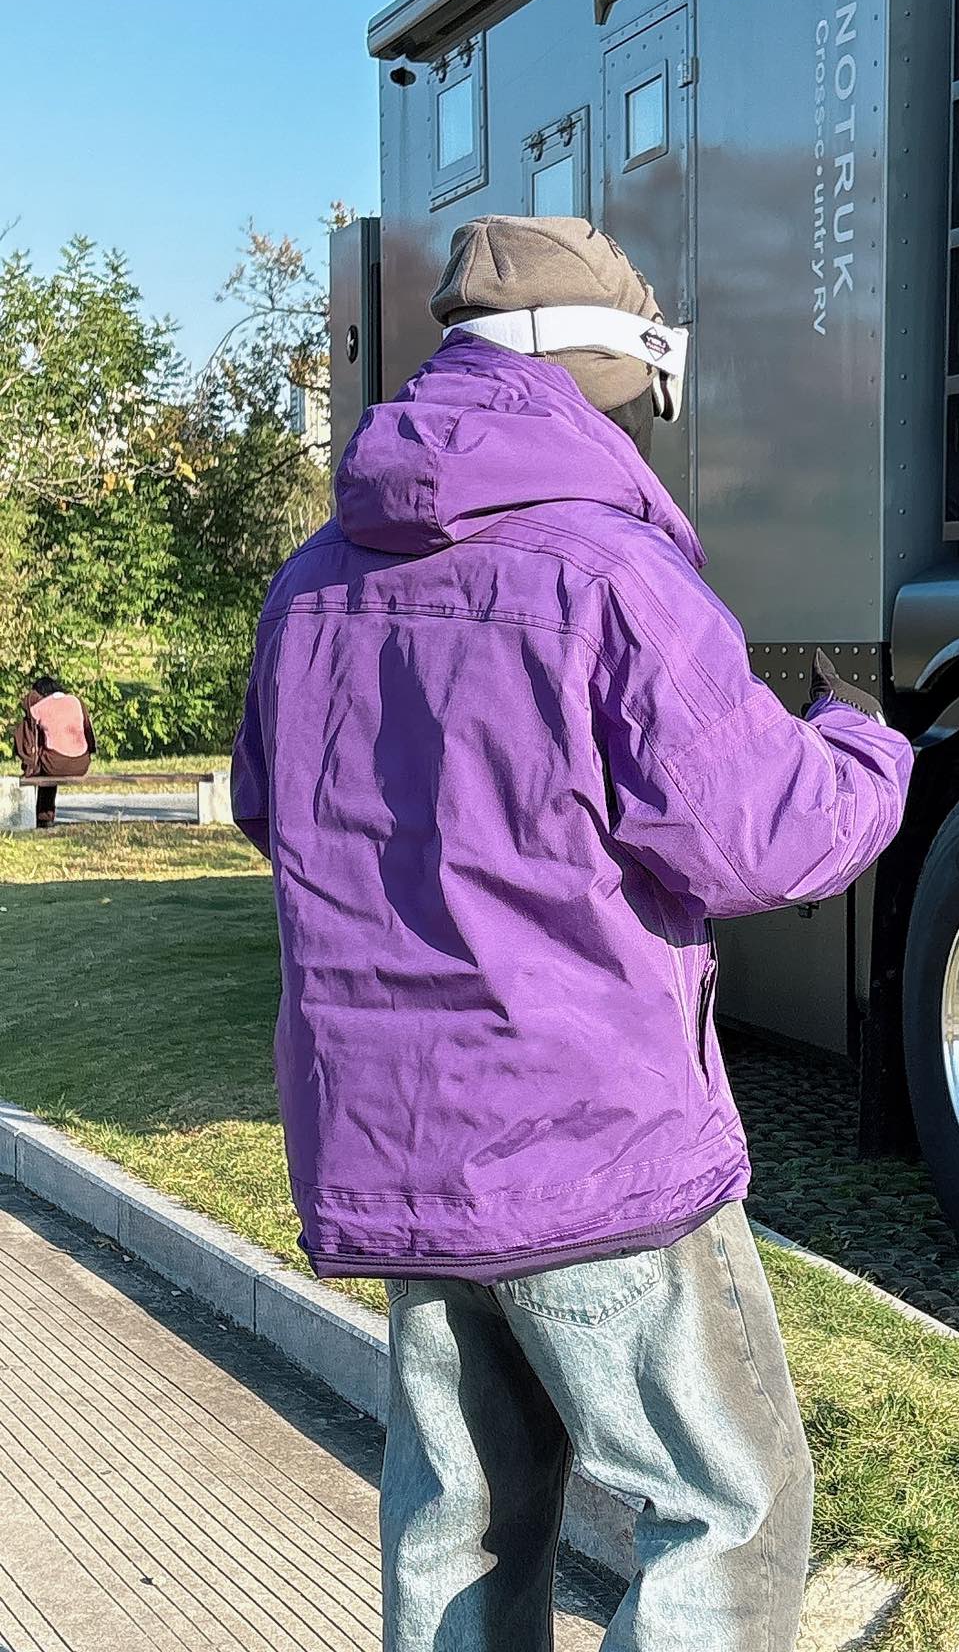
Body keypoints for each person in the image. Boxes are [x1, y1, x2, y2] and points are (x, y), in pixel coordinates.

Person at [231, 216, 913, 1652]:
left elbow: (268, 808)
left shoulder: (308, 587)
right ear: (602, 363)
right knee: (726, 1511)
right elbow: (761, 835)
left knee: (458, 1519)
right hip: (588, 1137)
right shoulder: (607, 573)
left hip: (401, 1138)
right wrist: (864, 741)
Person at [13, 675, 96, 828]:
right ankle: (44, 817)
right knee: (49, 760)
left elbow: (28, 730)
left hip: (54, 764)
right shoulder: (76, 701)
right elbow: (88, 732)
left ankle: (44, 818)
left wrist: (29, 764)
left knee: (45, 768)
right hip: (81, 763)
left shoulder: (40, 706)